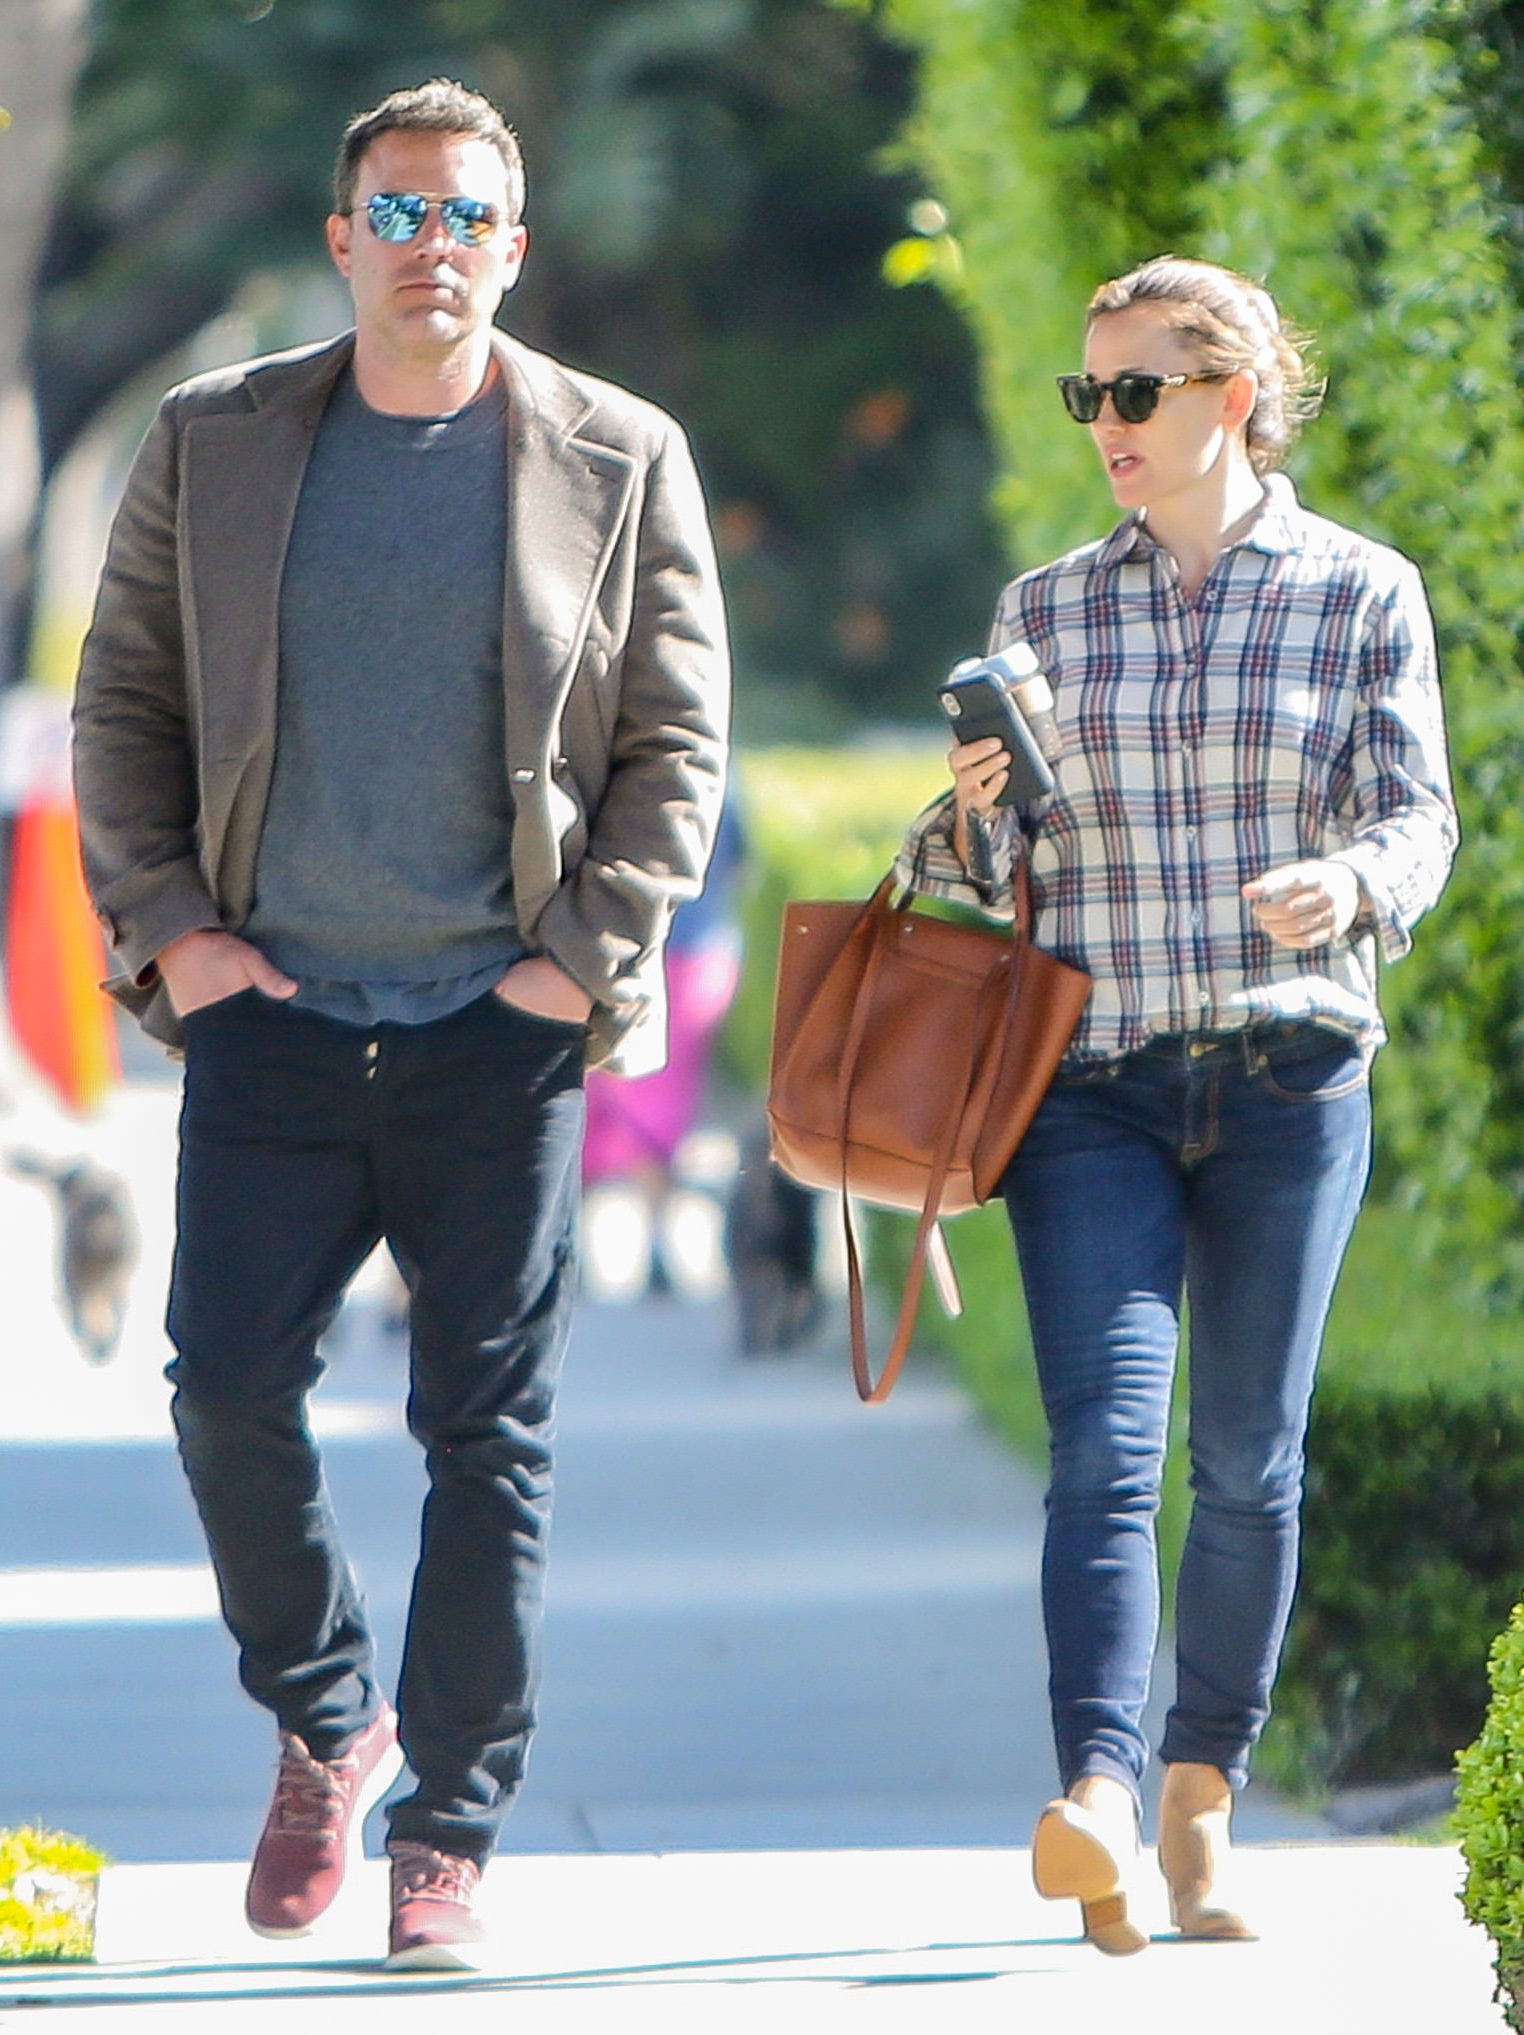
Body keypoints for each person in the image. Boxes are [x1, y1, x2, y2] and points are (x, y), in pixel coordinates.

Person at [72, 78, 728, 1968]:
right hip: (270, 1015)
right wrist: (178, 939)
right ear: (343, 236)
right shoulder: (219, 440)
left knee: (485, 1435)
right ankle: (327, 1715)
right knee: (225, 1390)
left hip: (494, 1027)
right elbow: (125, 708)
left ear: (514, 249)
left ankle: (447, 1830)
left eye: (469, 217)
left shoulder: (622, 453)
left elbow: (677, 743)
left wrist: (575, 960)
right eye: (402, 212)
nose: (435, 245)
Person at [899, 256, 1455, 1954]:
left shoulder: (1364, 593)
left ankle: (1204, 1792)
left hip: (1291, 1074)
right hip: (1096, 1088)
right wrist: (972, 812)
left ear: (1231, 394)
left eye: (1134, 392)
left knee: (1252, 1461)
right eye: (1090, 397)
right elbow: (969, 874)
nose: (1107, 428)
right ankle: (1097, 1793)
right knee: (1108, 1456)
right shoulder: (1045, 609)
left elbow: (1418, 817)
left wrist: (1347, 886)